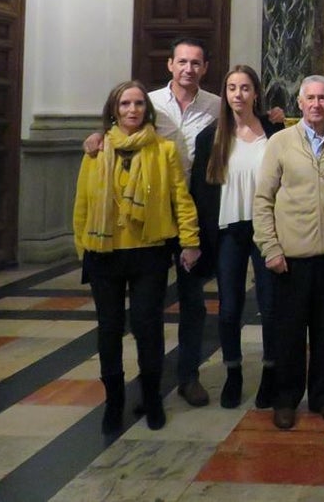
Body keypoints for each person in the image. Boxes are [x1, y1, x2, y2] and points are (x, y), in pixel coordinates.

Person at [83, 37, 221, 409]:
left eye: (196, 63)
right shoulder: (147, 101)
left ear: (204, 68)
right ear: (170, 65)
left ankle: (188, 376)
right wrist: (97, 136)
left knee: (192, 301)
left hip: (196, 208)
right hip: (151, 213)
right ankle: (144, 386)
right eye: (182, 61)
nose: (188, 69)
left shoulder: (217, 107)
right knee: (142, 315)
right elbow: (115, 133)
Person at [72, 80, 200, 434]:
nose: (132, 110)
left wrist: (190, 239)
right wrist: (83, 247)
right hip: (104, 254)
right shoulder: (96, 150)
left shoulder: (164, 150)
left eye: (139, 104)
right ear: (114, 109)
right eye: (125, 104)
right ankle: (114, 401)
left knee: (147, 326)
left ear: (147, 109)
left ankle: (152, 396)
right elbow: (83, 202)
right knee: (110, 328)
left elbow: (181, 199)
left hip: (149, 251)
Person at [253, 75, 324, 430]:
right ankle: (286, 400)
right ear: (300, 104)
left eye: (323, 98)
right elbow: (263, 200)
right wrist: (270, 248)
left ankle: (323, 398)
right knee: (289, 335)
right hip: (290, 258)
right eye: (310, 98)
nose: (317, 104)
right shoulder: (281, 143)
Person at [188, 65, 280, 410]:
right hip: (228, 230)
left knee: (270, 306)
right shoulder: (210, 135)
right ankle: (234, 372)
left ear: (256, 93)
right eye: (231, 88)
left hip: (266, 228)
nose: (238, 94)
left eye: (245, 88)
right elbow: (199, 192)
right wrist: (194, 240)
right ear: (225, 94)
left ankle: (270, 372)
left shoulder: (274, 130)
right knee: (229, 308)